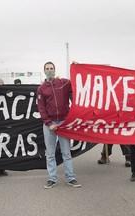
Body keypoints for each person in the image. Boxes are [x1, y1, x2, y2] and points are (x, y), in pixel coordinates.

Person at [37, 61, 81, 189]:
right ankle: (52, 178)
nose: (49, 70)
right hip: (49, 124)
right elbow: (41, 108)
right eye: (47, 68)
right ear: (44, 71)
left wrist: (77, 67)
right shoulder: (41, 88)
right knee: (50, 153)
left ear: (55, 70)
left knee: (66, 152)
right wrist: (49, 123)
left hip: (63, 123)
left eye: (51, 68)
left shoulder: (63, 83)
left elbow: (77, 82)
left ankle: (70, 178)